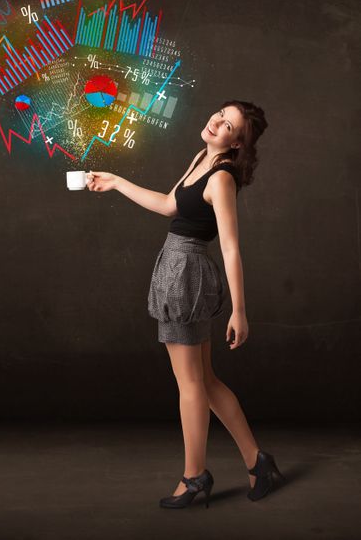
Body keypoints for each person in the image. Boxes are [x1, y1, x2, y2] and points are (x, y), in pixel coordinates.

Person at [86, 100, 284, 509]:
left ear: (237, 143)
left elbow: (230, 248)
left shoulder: (222, 178)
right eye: (218, 114)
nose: (215, 121)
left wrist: (240, 310)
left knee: (190, 384)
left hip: (186, 275)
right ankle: (258, 462)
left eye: (227, 125)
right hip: (179, 268)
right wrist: (117, 182)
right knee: (206, 381)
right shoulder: (201, 157)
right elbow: (169, 204)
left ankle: (195, 478)